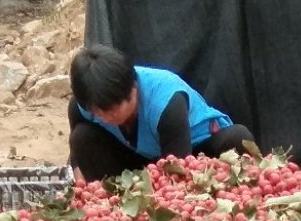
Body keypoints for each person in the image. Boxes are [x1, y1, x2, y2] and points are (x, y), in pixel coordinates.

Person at [68, 44, 259, 183]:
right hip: (143, 160)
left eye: (114, 108)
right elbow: (77, 153)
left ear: (133, 88)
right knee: (82, 137)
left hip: (194, 153)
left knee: (238, 137)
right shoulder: (83, 105)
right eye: (100, 113)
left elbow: (177, 170)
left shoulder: (166, 102)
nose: (109, 118)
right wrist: (80, 176)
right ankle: (114, 202)